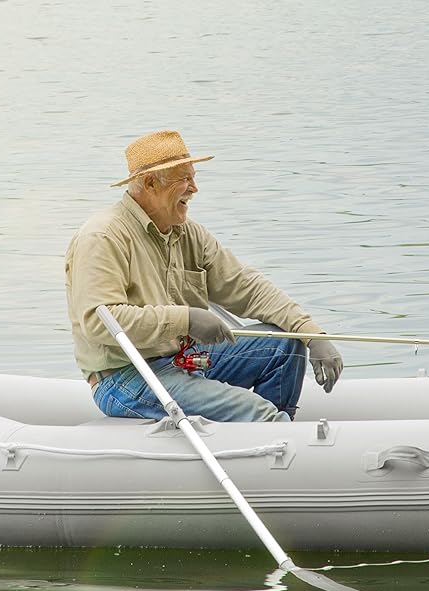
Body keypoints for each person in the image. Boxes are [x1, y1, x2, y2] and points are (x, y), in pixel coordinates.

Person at [65, 130, 344, 423]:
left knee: (285, 344)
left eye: (193, 177)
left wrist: (312, 334)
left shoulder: (188, 233)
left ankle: (270, 440)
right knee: (256, 410)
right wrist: (186, 319)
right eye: (184, 179)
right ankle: (271, 430)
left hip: (185, 360)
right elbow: (99, 322)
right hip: (127, 377)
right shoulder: (103, 236)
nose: (194, 188)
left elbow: (246, 286)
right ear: (149, 183)